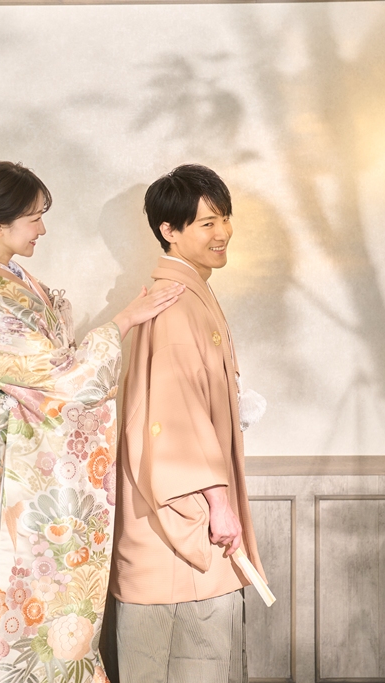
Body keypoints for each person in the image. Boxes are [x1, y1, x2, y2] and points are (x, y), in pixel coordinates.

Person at [0, 161, 182, 683]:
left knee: (11, 611)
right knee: (0, 615)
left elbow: (47, 372)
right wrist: (125, 320)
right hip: (3, 488)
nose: (42, 228)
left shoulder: (8, 286)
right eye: (34, 217)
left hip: (18, 478)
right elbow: (62, 379)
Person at [111, 164, 267, 683]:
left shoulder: (189, 292)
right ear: (169, 230)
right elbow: (175, 417)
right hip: (185, 517)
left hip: (187, 504)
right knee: (184, 658)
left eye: (225, 218)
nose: (223, 232)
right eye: (207, 223)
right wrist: (219, 506)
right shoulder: (176, 304)